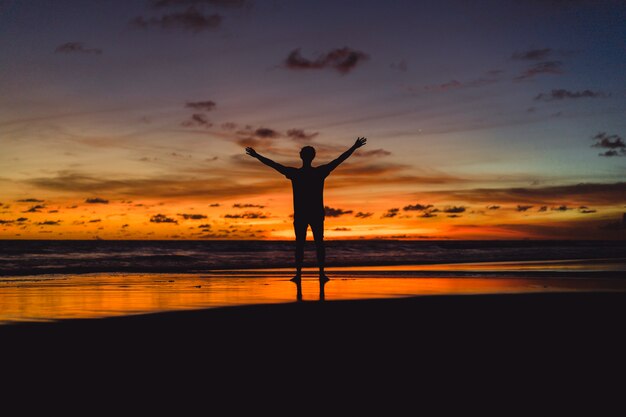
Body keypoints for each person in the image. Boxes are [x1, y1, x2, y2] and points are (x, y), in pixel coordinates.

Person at [246, 137, 367, 283]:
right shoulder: (319, 172)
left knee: (300, 244)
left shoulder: (296, 174)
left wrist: (257, 155)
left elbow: (274, 165)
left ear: (301, 156)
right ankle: (321, 274)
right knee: (318, 244)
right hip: (314, 213)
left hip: (303, 214)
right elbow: (339, 159)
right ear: (313, 156)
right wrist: (354, 147)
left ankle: (299, 275)